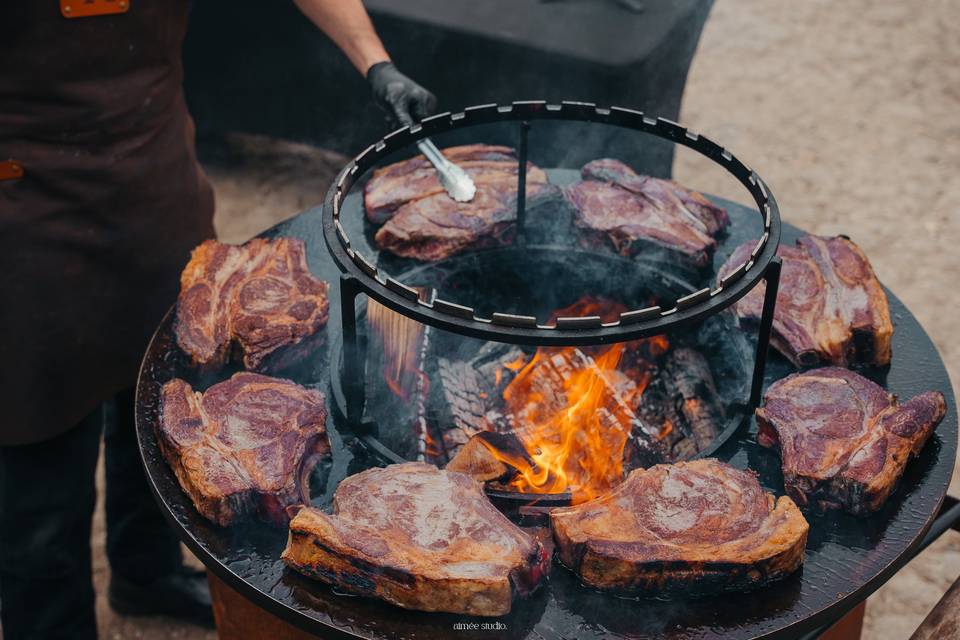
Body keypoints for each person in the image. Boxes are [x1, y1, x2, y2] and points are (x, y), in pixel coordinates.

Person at [0, 2, 433, 638]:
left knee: (160, 404)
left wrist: (377, 64)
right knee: (41, 467)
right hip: (25, 218)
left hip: (152, 186)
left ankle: (143, 573)